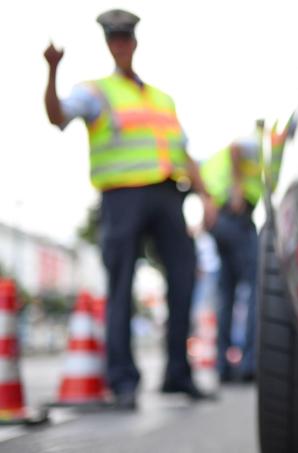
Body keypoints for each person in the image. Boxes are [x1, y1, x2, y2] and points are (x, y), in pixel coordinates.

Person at [43, 9, 217, 408]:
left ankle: (178, 374)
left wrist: (206, 196)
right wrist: (52, 71)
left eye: (126, 39)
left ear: (134, 44)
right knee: (121, 284)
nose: (121, 46)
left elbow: (184, 152)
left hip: (168, 194)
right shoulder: (95, 92)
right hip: (122, 196)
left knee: (184, 279)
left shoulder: (162, 99)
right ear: (109, 45)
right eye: (114, 40)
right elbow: (56, 116)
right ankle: (123, 380)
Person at [201, 120, 264, 382]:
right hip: (235, 216)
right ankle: (249, 363)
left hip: (221, 220)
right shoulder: (260, 141)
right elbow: (236, 148)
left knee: (226, 292)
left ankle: (222, 367)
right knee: (255, 285)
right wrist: (238, 190)